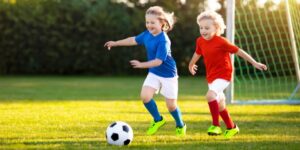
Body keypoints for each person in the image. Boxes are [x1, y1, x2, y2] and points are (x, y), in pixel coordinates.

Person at [104, 6, 186, 136]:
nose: (149, 25)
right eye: (147, 22)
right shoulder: (147, 34)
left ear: (162, 23)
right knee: (145, 97)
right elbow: (132, 40)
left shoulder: (164, 40)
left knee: (171, 106)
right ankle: (158, 119)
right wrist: (115, 43)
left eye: (152, 22)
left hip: (168, 75)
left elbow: (159, 61)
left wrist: (142, 65)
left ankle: (180, 124)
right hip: (154, 72)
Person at [188, 10, 267, 139]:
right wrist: (191, 64)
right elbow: (198, 53)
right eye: (201, 27)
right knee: (220, 104)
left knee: (210, 95)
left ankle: (216, 126)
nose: (203, 30)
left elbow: (239, 51)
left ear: (217, 28)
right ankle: (231, 127)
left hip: (224, 75)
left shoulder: (221, 42)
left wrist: (254, 62)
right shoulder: (200, 41)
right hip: (211, 76)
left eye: (207, 28)